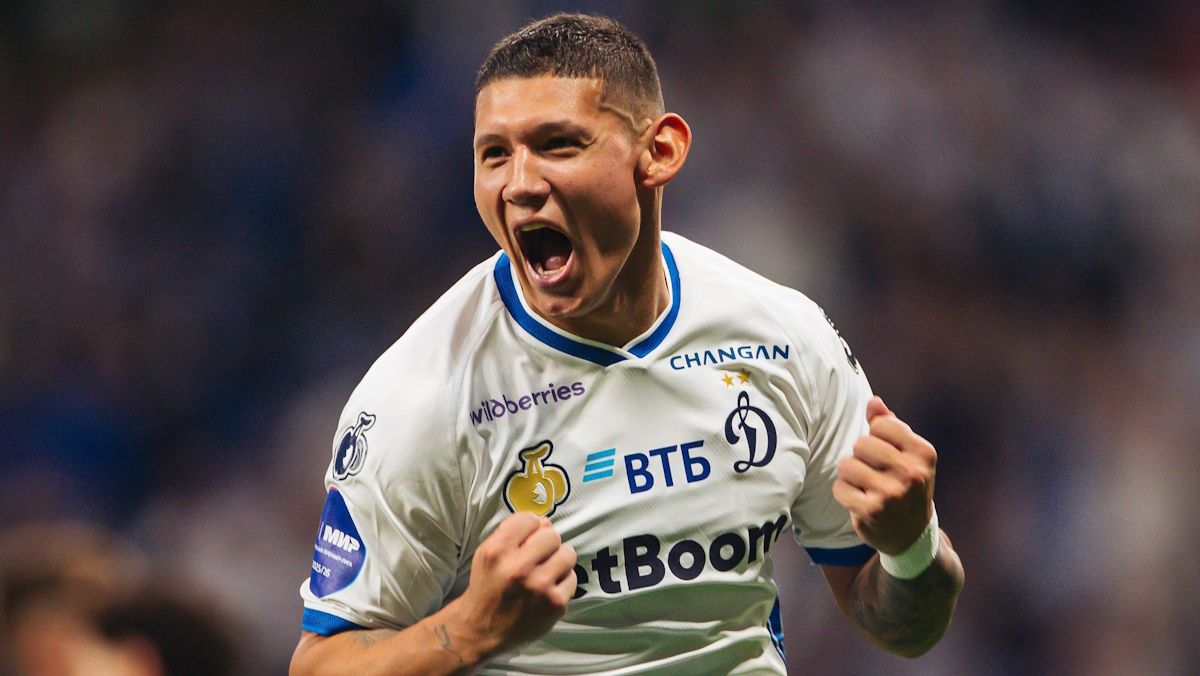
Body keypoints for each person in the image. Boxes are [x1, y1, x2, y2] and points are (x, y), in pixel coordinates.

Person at [289, 12, 963, 675]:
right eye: (494, 154)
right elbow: (321, 665)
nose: (519, 183)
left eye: (557, 144)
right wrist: (468, 631)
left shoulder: (782, 336)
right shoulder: (422, 394)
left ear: (659, 152)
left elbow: (906, 629)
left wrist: (910, 546)